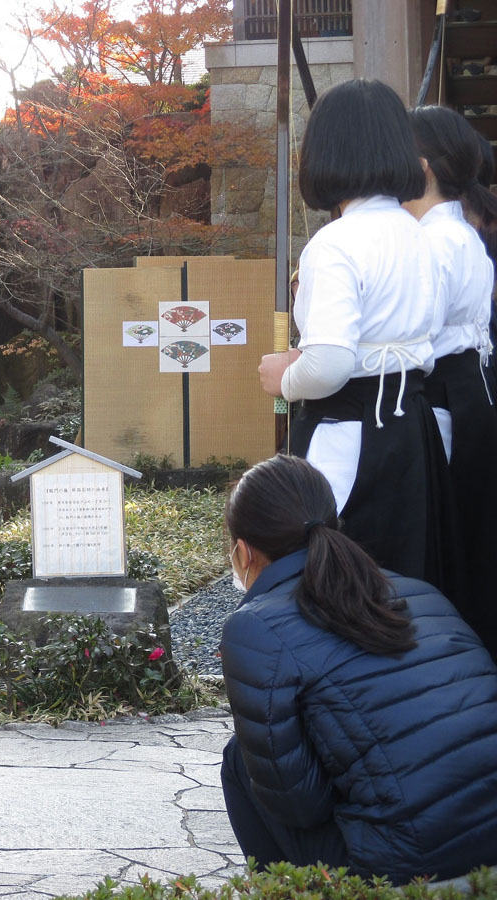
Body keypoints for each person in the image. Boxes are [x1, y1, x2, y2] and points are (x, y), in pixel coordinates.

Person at [220, 454, 497, 883]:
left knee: (240, 758)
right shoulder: (420, 592)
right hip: (489, 838)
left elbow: (299, 807)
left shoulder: (256, 626)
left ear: (243, 551)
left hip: (410, 867)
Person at [257, 79, 455, 592]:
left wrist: (285, 378)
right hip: (411, 427)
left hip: (351, 431)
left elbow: (330, 365)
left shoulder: (336, 243)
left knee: (344, 581)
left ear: (325, 152)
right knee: (407, 578)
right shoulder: (420, 235)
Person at [405, 105, 497, 652]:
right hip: (470, 388)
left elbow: (418, 336)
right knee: (474, 532)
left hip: (445, 393)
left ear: (420, 167)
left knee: (452, 534)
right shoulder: (457, 232)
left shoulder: (435, 240)